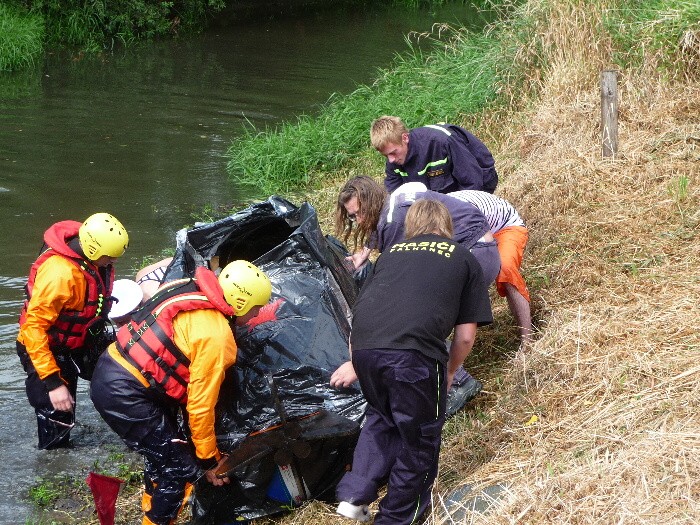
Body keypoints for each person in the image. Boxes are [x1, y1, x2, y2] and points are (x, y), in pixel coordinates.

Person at [333, 199, 493, 524]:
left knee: (381, 418)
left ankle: (354, 494)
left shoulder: (390, 255)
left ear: (411, 228)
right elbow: (464, 337)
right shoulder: (464, 258)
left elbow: (361, 313)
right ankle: (395, 519)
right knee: (419, 439)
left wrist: (357, 360)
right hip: (413, 357)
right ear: (447, 226)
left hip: (365, 349)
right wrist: (449, 372)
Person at [90, 260, 273, 525]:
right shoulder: (217, 337)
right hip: (126, 392)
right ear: (241, 302)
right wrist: (210, 461)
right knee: (177, 470)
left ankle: (149, 509)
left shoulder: (188, 286)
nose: (256, 316)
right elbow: (200, 407)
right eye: (255, 308)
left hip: (113, 367)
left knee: (164, 456)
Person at [332, 176, 498, 412]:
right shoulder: (391, 209)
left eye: (359, 213)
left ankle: (456, 382)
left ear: (371, 202)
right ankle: (447, 371)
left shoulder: (393, 220)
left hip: (475, 252)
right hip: (479, 250)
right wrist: (366, 250)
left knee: (414, 312)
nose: (357, 220)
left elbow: (406, 275)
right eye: (352, 216)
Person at [16, 212, 129, 449]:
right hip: (42, 346)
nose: (113, 262)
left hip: (76, 342)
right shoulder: (59, 274)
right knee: (58, 412)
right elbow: (33, 329)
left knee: (120, 376)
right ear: (94, 250)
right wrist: (54, 384)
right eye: (110, 257)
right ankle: (52, 462)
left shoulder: (92, 256)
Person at [449, 189, 533, 345]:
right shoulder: (431, 215)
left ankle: (527, 341)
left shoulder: (462, 214)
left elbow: (483, 245)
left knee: (505, 269)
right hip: (481, 229)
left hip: (505, 227)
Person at [370, 115, 498, 195]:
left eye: (393, 153)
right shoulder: (393, 159)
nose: (391, 160)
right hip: (439, 198)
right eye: (386, 156)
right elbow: (395, 197)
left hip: (480, 182)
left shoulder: (441, 142)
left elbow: (473, 182)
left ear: (405, 138)